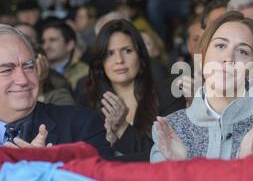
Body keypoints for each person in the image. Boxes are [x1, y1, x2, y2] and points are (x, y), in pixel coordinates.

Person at [150, 11, 253, 162]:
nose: (229, 58)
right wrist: (179, 167)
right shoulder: (170, 129)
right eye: (220, 46)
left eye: (243, 51)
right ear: (202, 56)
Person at [0, 24, 112, 158]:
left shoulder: (82, 125)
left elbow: (102, 177)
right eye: (6, 70)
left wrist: (47, 168)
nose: (23, 80)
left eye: (28, 67)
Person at [87, 19, 184, 161]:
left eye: (127, 51)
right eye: (109, 53)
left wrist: (123, 128)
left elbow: (170, 155)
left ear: (140, 55)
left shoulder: (168, 94)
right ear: (100, 62)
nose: (119, 60)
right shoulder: (89, 101)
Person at [41, 21, 89, 90]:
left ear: (70, 45)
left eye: (52, 40)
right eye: (43, 41)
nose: (46, 46)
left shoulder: (84, 72)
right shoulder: (37, 71)